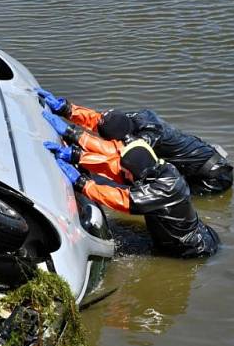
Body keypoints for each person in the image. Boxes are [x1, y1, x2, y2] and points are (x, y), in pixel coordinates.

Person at [42, 111, 219, 258]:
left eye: (127, 173)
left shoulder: (162, 189)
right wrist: (77, 156)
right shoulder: (159, 169)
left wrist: (82, 183)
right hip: (194, 233)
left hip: (191, 250)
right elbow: (113, 166)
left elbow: (120, 199)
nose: (122, 175)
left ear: (136, 172)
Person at [36, 88, 233, 195]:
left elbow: (113, 155)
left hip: (212, 177)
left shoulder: (147, 138)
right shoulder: (131, 119)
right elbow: (101, 121)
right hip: (196, 163)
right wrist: (66, 109)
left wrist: (73, 137)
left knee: (168, 196)